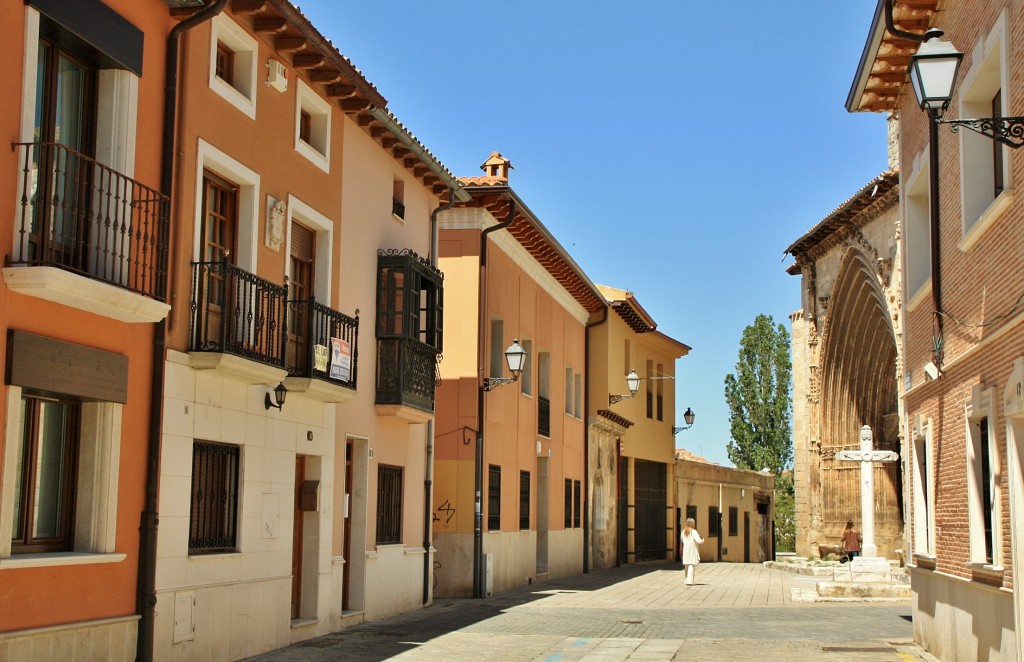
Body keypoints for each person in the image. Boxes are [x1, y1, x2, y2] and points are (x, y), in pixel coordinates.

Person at [680, 518, 704, 585]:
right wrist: (703, 540)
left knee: (686, 566)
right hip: (692, 551)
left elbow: (681, 541)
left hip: (686, 550)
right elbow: (698, 540)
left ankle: (685, 580)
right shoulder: (694, 531)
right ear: (693, 524)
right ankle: (690, 581)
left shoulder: (683, 531)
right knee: (691, 565)